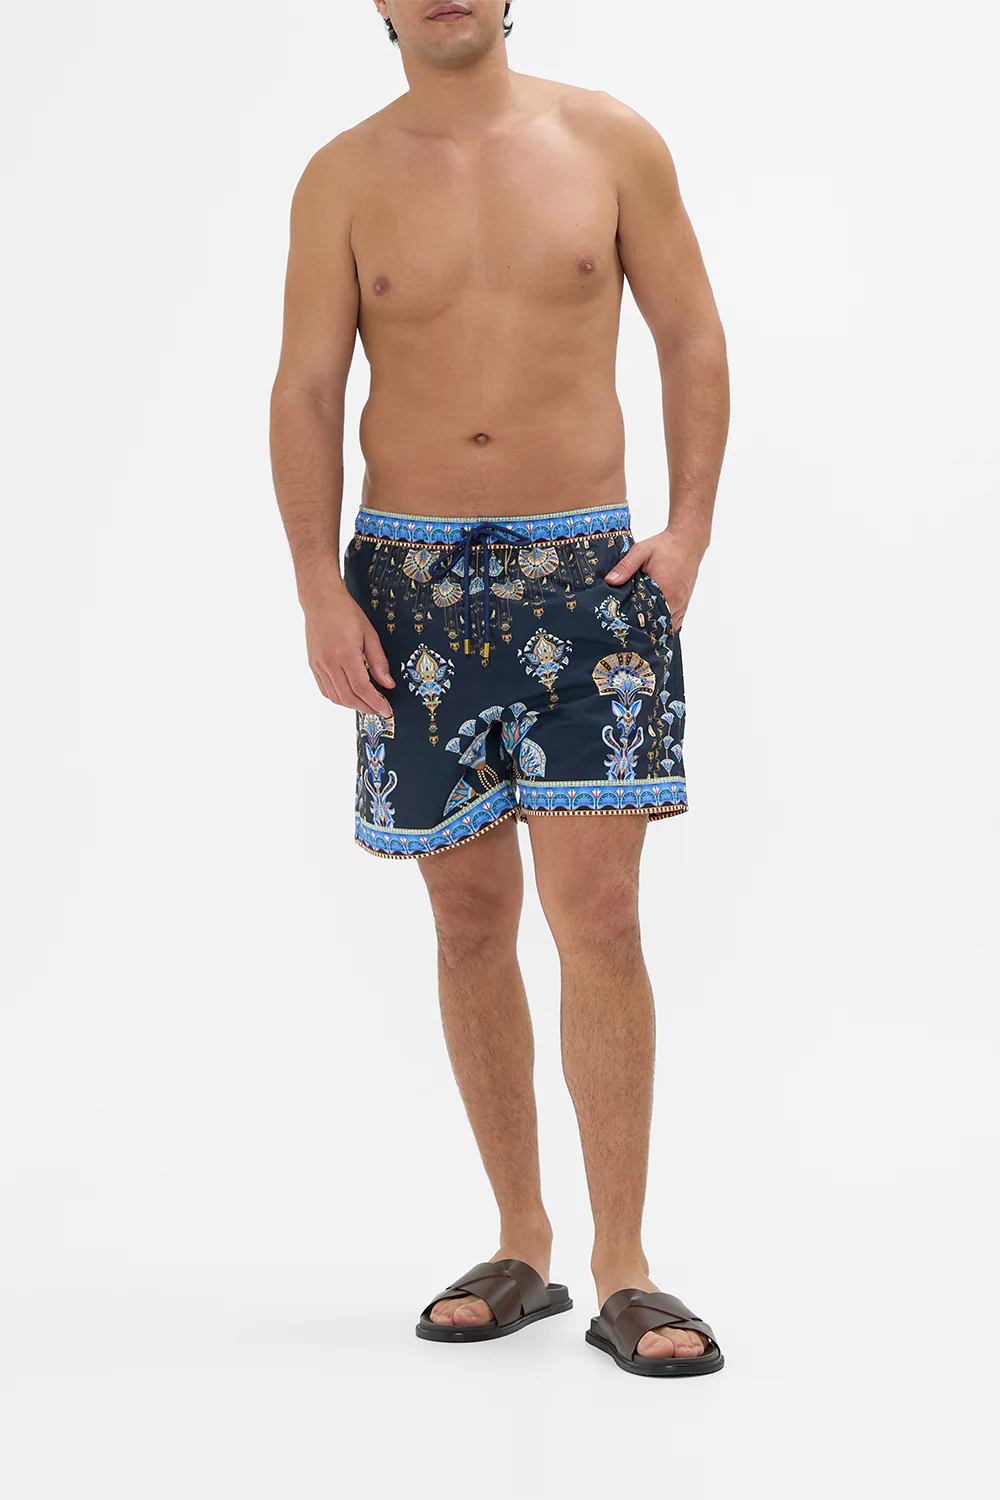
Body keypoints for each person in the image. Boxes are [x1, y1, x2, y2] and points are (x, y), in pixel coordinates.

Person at [270, 0, 729, 1377]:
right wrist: (317, 587)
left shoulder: (611, 142)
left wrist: (690, 529)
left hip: (589, 581)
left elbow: (692, 335)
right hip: (406, 590)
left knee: (603, 919)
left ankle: (626, 1268)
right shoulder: (342, 176)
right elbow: (306, 386)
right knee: (469, 921)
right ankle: (522, 1243)